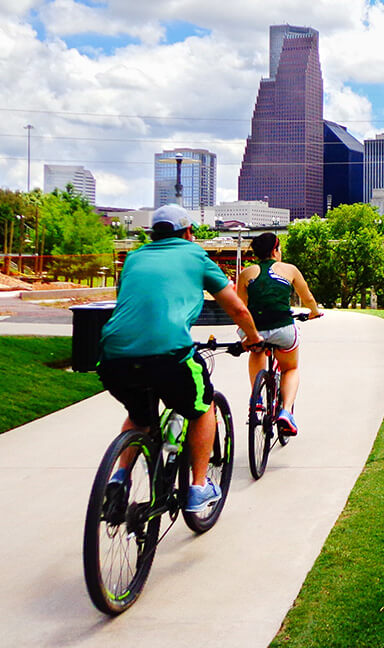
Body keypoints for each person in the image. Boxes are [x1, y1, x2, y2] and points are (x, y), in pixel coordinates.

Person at [97, 204, 263, 514]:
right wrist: (253, 338)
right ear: (188, 233)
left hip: (113, 356)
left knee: (140, 415)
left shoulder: (133, 258)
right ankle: (198, 487)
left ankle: (119, 478)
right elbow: (238, 309)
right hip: (169, 354)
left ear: (153, 234)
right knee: (202, 406)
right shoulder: (196, 256)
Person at [235, 231, 320, 437]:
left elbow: (241, 306)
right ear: (275, 250)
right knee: (290, 368)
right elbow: (306, 296)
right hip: (282, 328)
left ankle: (256, 399)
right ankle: (286, 412)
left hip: (256, 330)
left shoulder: (246, 274)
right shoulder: (289, 269)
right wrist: (314, 312)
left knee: (256, 351)